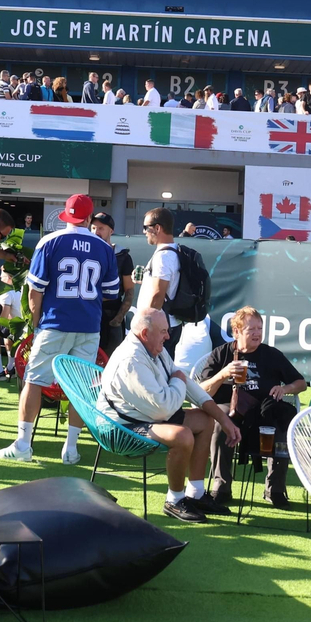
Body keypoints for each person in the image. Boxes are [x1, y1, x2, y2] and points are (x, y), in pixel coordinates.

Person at [0, 195, 119, 465]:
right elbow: (111, 293)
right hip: (88, 325)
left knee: (34, 380)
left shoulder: (49, 241)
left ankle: (24, 444)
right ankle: (71, 448)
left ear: (66, 215)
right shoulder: (105, 248)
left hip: (55, 323)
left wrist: (37, 322)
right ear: (89, 218)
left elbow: (34, 291)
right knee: (80, 387)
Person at [98, 309, 239, 522]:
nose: (168, 336)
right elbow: (164, 408)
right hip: (118, 427)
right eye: (163, 331)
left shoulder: (152, 347)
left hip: (144, 415)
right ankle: (174, 500)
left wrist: (224, 420)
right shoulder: (131, 360)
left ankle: (196, 494)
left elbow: (187, 385)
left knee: (205, 420)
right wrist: (178, 380)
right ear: (145, 333)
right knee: (181, 436)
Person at [196, 306, 306, 511]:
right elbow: (202, 391)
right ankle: (222, 487)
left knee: (280, 425)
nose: (257, 333)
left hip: (263, 409)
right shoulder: (222, 353)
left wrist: (285, 388)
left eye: (260, 328)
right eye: (251, 329)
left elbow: (301, 383)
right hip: (229, 407)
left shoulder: (271, 355)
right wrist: (223, 374)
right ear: (236, 332)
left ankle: (275, 490)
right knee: (220, 426)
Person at [137, 207, 187, 357]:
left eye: (146, 227)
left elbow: (158, 295)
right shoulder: (174, 251)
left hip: (159, 328)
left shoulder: (164, 256)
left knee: (158, 374)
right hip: (169, 324)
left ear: (157, 228)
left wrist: (145, 325)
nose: (144, 232)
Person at [90, 211, 136, 358]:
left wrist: (119, 317)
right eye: (93, 228)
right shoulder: (85, 252)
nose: (96, 232)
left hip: (112, 314)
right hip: (88, 312)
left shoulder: (122, 256)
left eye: (101, 228)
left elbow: (129, 290)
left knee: (111, 361)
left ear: (111, 230)